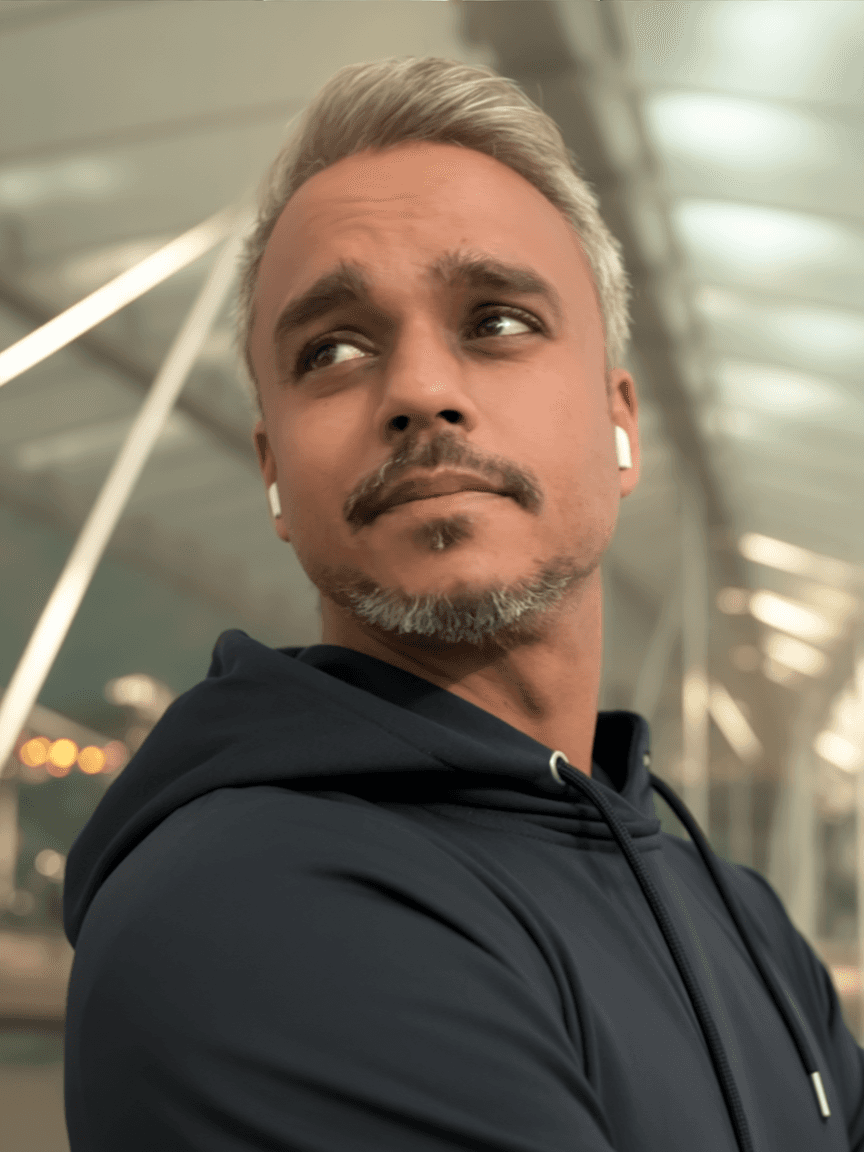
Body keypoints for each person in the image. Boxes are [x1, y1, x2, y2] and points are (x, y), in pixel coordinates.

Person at [62, 56, 864, 1152]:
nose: (420, 391)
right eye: (333, 349)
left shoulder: (743, 922)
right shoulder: (246, 911)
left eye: (497, 322)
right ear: (273, 476)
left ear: (621, 427)